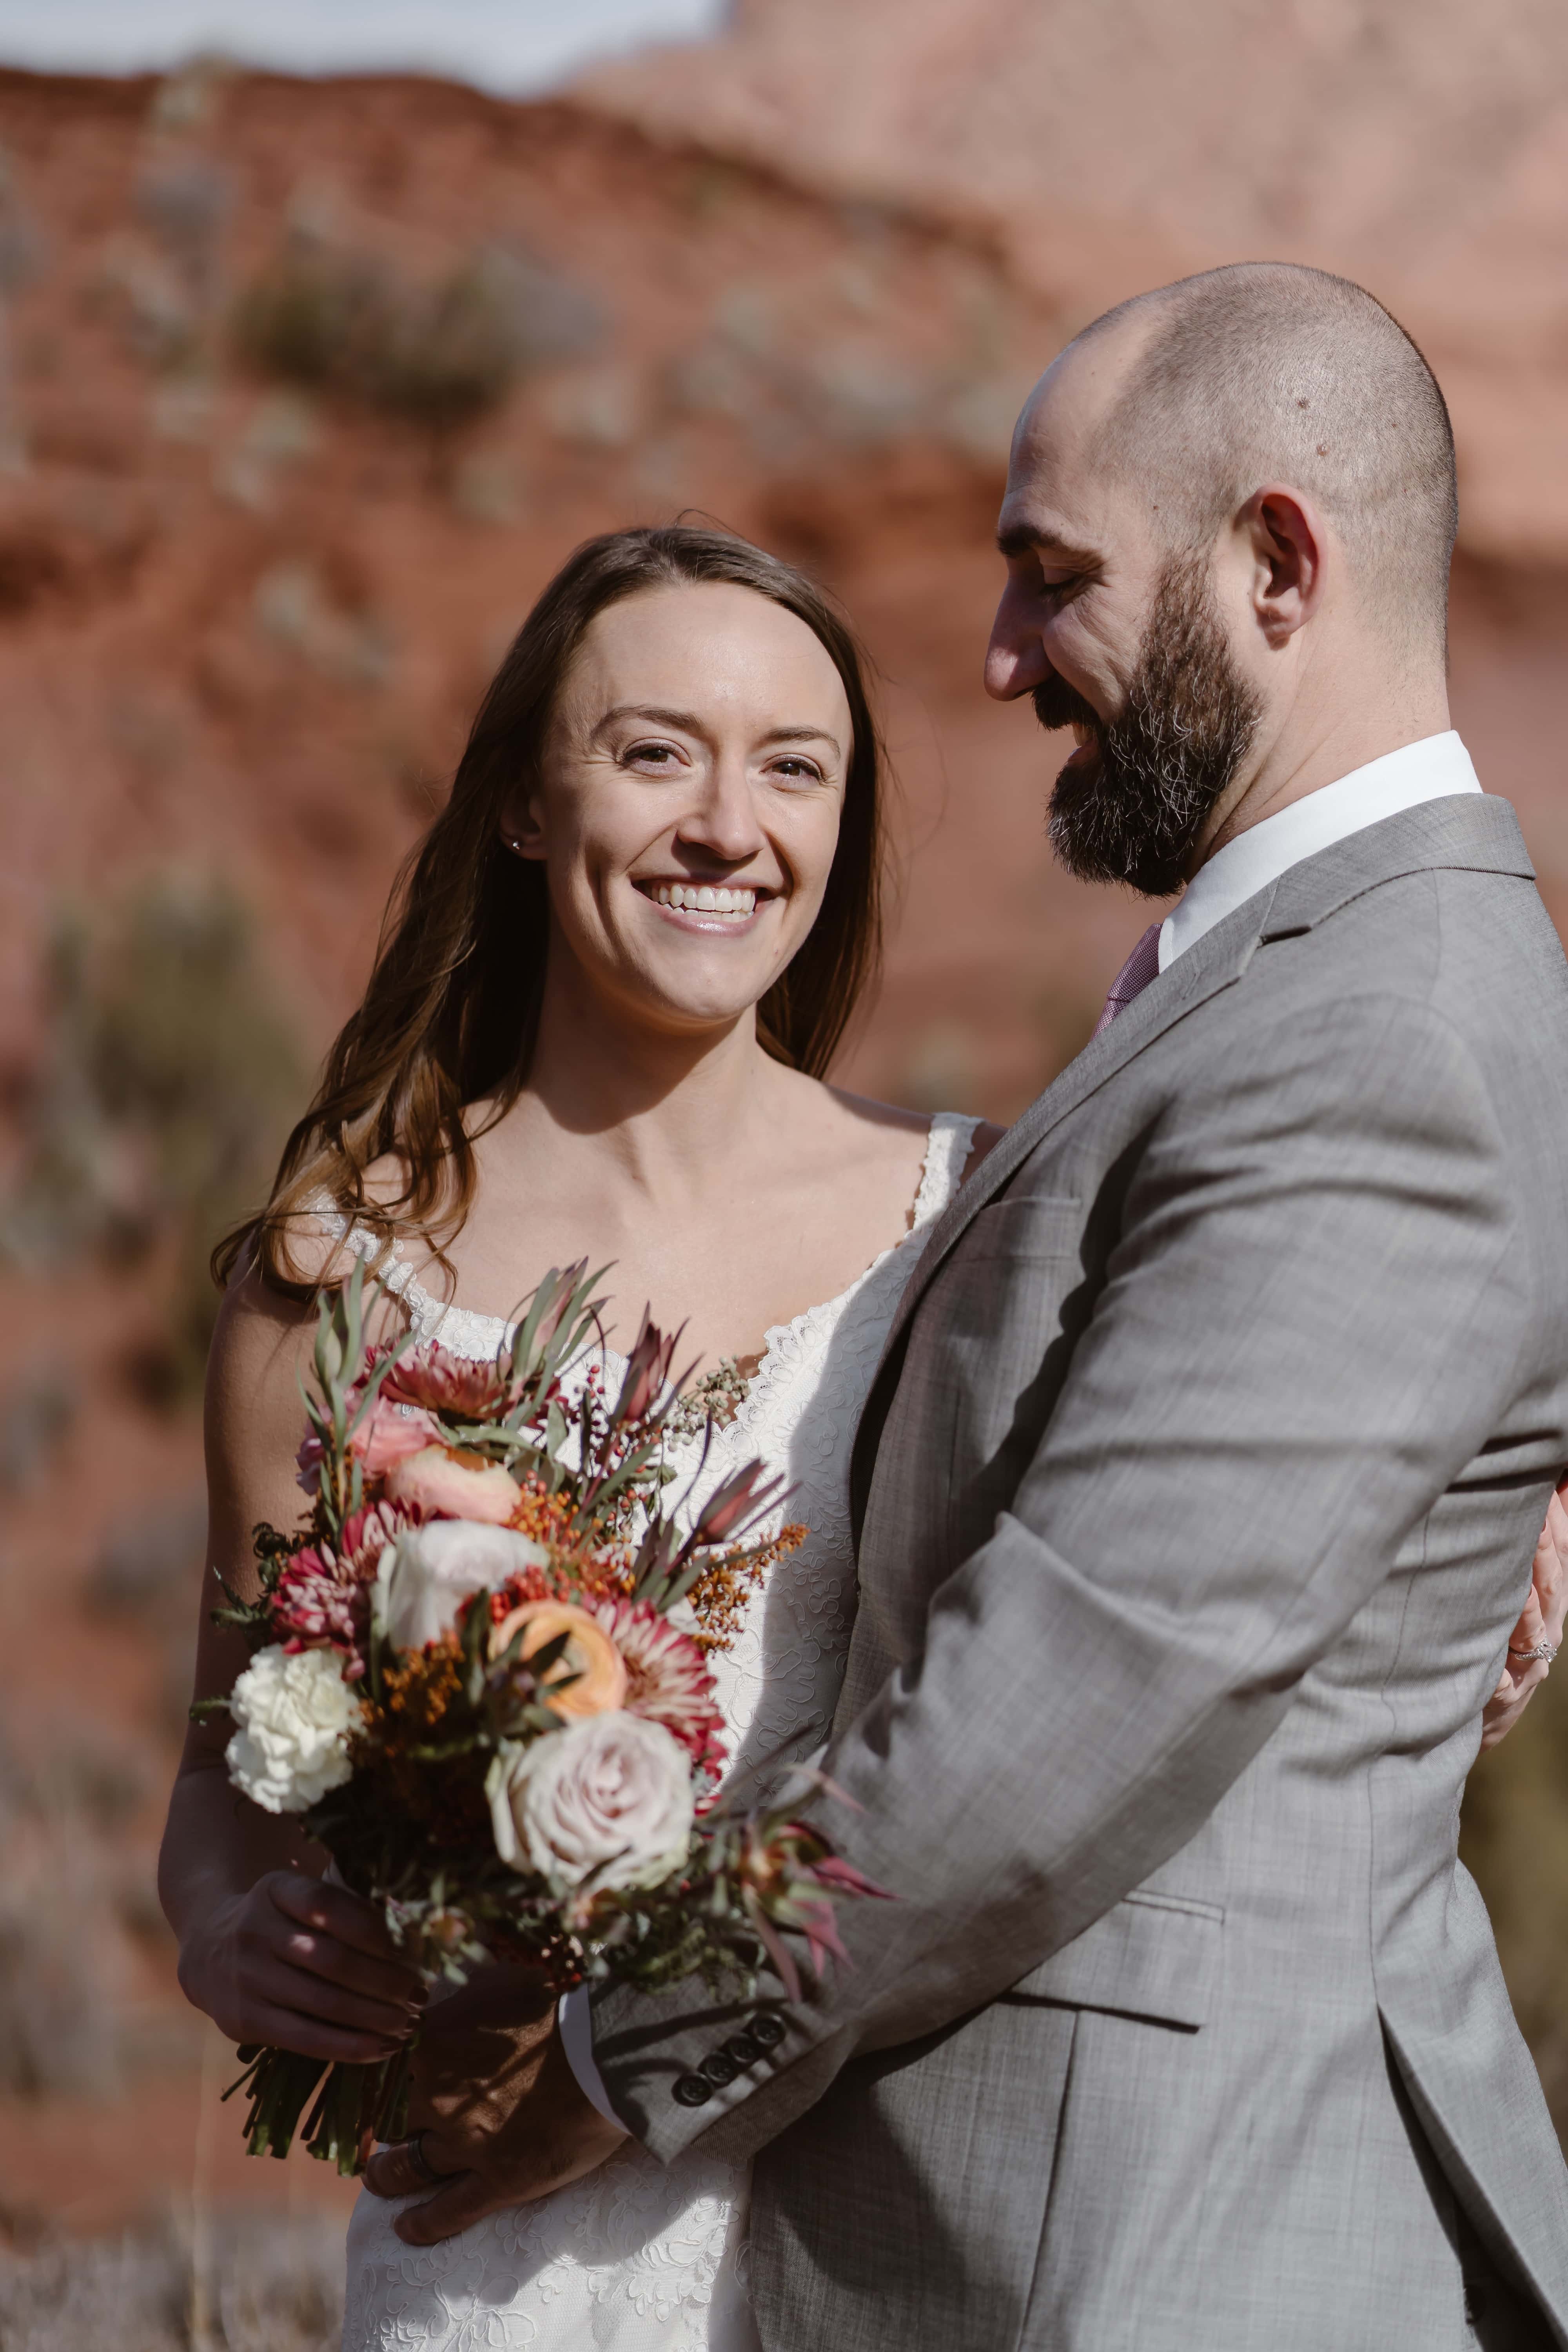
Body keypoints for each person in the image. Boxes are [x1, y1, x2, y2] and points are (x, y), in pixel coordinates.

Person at [402, 267, 1568, 2350]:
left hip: (1165, 2243)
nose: (1004, 654)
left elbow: (1081, 1683)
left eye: (1054, 576)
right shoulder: (1284, 981)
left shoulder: (1387, 1027)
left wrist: (610, 2057)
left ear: (1277, 561)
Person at [158, 521, 999, 2350]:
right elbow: (222, 1787)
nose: (728, 824)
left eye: (795, 767)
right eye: (653, 752)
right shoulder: (336, 1272)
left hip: (871, 2234)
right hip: (490, 2274)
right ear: (530, 805)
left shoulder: (966, 1227)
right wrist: (233, 1934)